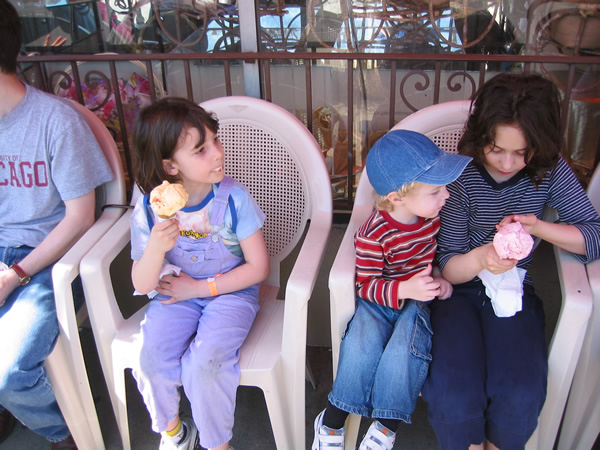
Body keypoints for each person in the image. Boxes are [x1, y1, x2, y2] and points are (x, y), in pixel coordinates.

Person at [421, 72, 600, 449]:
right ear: (480, 136)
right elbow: (449, 264)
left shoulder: (549, 169)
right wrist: (483, 258)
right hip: (456, 291)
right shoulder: (461, 174)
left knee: (519, 392)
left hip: (514, 289)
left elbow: (593, 237)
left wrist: (538, 227)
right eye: (496, 149)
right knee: (454, 391)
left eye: (522, 152)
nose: (508, 163)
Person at [0, 0, 114, 448]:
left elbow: (80, 218)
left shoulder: (56, 121)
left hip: (48, 261)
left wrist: (14, 274)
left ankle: (63, 431)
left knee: (10, 372)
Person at [312, 130, 472, 450]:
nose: (446, 195)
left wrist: (438, 278)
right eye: (436, 191)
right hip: (379, 300)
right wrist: (405, 288)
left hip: (416, 303)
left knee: (405, 349)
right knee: (361, 343)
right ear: (398, 197)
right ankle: (332, 421)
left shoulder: (431, 219)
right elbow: (366, 285)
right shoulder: (374, 233)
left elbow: (430, 260)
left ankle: (385, 428)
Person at [129, 97, 269, 450]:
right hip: (175, 294)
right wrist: (155, 248)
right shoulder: (150, 209)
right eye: (201, 150)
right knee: (151, 359)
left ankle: (217, 444)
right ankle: (175, 433)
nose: (218, 153)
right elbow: (142, 283)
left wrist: (200, 289)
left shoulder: (234, 199)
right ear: (170, 165)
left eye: (215, 141)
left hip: (230, 293)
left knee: (204, 364)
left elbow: (258, 268)